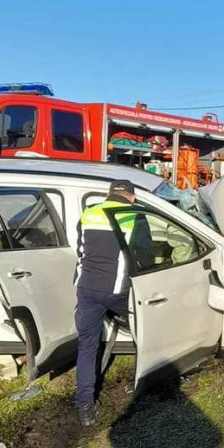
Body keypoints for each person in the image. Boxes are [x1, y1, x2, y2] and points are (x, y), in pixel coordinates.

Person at [74, 179, 148, 426]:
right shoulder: (135, 216)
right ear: (132, 197)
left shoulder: (89, 213)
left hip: (86, 289)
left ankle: (85, 408)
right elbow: (146, 254)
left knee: (87, 347)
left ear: (109, 195)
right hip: (118, 292)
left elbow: (80, 249)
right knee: (146, 333)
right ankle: (144, 386)